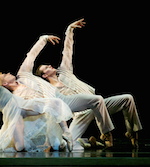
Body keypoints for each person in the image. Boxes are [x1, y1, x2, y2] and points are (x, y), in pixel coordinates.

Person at [0, 32, 115, 148]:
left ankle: (105, 134)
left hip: (60, 98)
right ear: (5, 83)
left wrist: (43, 39)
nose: (8, 72)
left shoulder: (23, 74)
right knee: (66, 145)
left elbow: (31, 56)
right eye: (5, 74)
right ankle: (87, 143)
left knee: (97, 100)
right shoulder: (16, 97)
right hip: (51, 111)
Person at [35, 18, 143, 149]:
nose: (50, 66)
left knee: (127, 99)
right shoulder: (50, 89)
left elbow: (68, 51)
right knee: (68, 144)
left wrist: (69, 31)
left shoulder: (65, 72)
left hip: (99, 106)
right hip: (82, 115)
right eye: (46, 67)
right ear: (45, 75)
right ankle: (87, 142)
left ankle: (131, 132)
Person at [0, 37, 74, 153]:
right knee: (20, 147)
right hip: (12, 113)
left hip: (20, 104)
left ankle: (66, 134)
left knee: (54, 103)